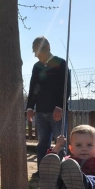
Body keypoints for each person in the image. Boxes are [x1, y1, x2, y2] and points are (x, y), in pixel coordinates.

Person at [26, 36, 71, 178]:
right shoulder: (36, 67)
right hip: (40, 112)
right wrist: (29, 107)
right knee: (42, 144)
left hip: (57, 112)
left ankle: (61, 173)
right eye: (35, 53)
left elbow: (66, 88)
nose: (36, 56)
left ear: (48, 48)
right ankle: (42, 170)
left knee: (60, 142)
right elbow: (33, 87)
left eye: (38, 53)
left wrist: (59, 106)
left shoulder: (61, 63)